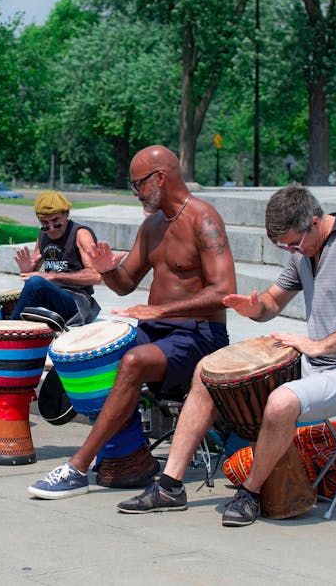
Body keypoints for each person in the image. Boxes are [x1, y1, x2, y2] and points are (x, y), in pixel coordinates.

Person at [116, 184, 336, 527]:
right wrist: (254, 307)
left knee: (280, 402)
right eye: (286, 246)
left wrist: (322, 346)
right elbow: (273, 302)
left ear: (315, 221)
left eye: (295, 243)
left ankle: (249, 493)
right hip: (315, 364)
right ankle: (170, 486)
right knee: (208, 371)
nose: (293, 250)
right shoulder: (303, 250)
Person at [28, 145, 236, 499]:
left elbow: (225, 290)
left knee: (133, 360)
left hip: (200, 335)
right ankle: (129, 457)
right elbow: (124, 284)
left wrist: (162, 311)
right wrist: (107, 268)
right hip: (160, 332)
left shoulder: (204, 219)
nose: (135, 192)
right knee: (99, 355)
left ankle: (77, 466)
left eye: (137, 184)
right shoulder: (152, 225)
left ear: (160, 178)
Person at [9, 191, 100, 325]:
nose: (51, 228)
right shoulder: (42, 235)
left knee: (36, 283)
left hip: (77, 300)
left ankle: (12, 334)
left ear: (66, 214)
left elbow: (96, 276)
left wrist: (53, 276)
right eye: (45, 223)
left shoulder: (81, 234)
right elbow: (32, 273)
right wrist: (27, 270)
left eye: (56, 222)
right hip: (51, 298)